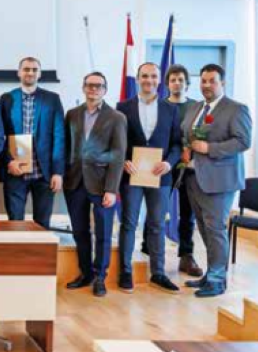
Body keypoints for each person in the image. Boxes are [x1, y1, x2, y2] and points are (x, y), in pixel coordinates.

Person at [181, 64, 251, 298]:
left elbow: (243, 141)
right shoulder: (196, 107)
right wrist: (186, 148)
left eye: (212, 81)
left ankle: (217, 280)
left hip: (220, 180)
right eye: (203, 81)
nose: (207, 85)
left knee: (216, 229)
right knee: (204, 229)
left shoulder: (236, 109)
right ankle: (211, 272)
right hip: (193, 178)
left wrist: (209, 148)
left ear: (223, 83)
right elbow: (187, 134)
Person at [116, 63, 183, 294]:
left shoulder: (171, 109)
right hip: (131, 174)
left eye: (153, 76)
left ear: (159, 79)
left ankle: (158, 273)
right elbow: (117, 141)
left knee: (156, 225)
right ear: (137, 79)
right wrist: (123, 160)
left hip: (160, 176)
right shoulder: (122, 107)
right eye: (144, 76)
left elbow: (177, 144)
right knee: (129, 224)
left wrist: (169, 163)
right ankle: (125, 272)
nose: (149, 80)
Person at [63, 72, 127, 297]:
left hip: (102, 184)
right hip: (75, 181)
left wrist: (112, 189)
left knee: (103, 233)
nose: (93, 89)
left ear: (105, 90)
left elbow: (118, 155)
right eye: (90, 85)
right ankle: (86, 273)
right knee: (80, 231)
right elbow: (67, 146)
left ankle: (100, 276)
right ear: (83, 88)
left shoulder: (116, 117)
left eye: (98, 86)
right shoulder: (72, 114)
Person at [0, 57, 65, 229]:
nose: (30, 72)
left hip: (43, 173)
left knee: (42, 225)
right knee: (15, 223)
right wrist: (9, 161)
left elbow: (59, 137)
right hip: (15, 172)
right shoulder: (7, 99)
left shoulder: (52, 99)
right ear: (19, 72)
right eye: (26, 69)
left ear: (40, 73)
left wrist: (58, 172)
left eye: (34, 69)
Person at [164, 64, 204, 277]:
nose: (177, 83)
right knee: (156, 210)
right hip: (164, 167)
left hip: (190, 168)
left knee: (188, 213)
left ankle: (186, 255)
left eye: (181, 79)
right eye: (173, 80)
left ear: (187, 84)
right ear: (167, 84)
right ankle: (150, 251)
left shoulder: (197, 108)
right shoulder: (160, 106)